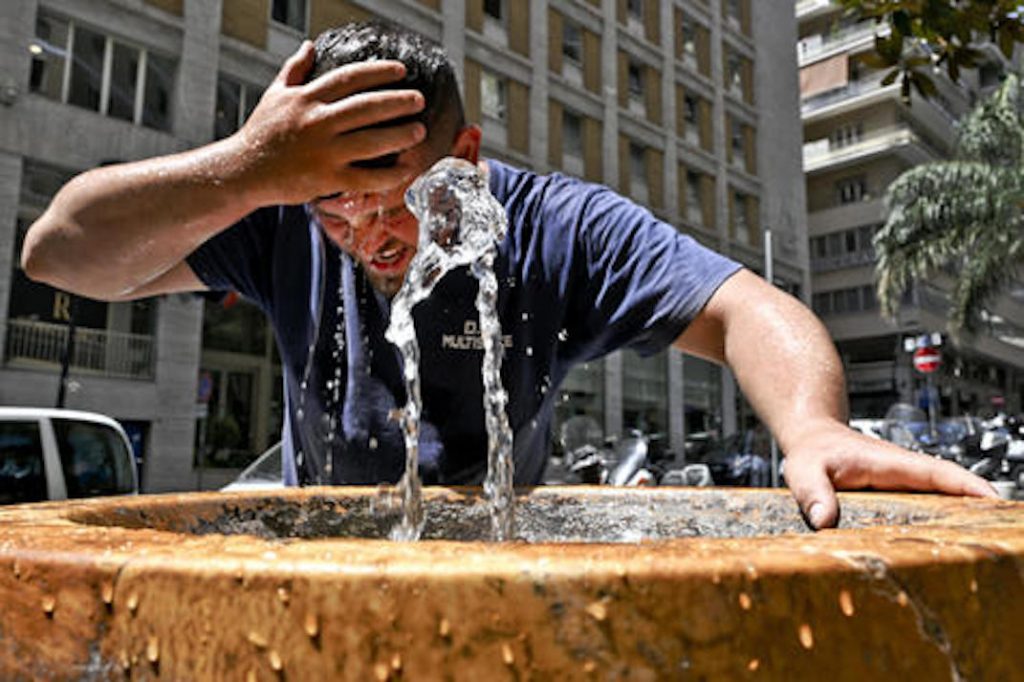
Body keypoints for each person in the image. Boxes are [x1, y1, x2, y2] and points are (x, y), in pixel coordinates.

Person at [22, 20, 995, 529]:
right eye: (333, 201)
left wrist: (813, 425)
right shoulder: (279, 215)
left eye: (397, 196)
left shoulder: (551, 229)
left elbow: (745, 305)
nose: (367, 233)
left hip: (501, 549)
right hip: (317, 550)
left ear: (468, 160)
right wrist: (250, 168)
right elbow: (59, 253)